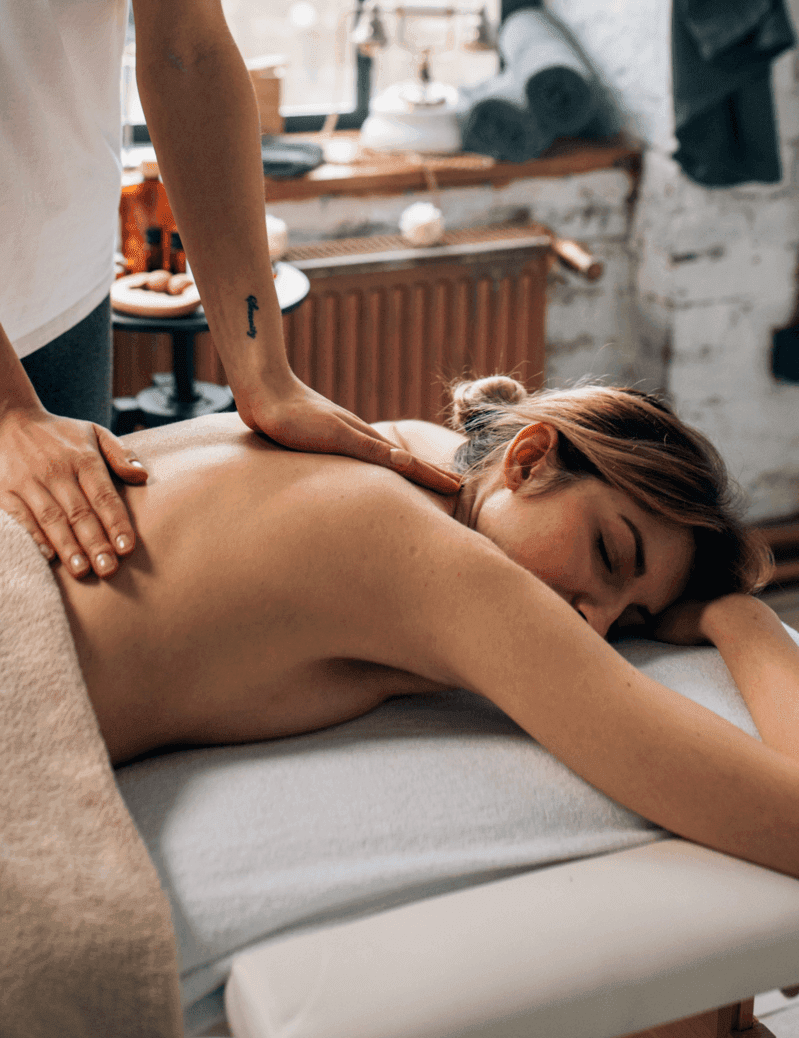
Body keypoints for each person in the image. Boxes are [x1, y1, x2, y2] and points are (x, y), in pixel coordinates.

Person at [42, 374, 799, 882]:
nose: (594, 623)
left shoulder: (398, 444)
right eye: (609, 554)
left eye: (632, 617)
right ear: (529, 459)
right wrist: (747, 622)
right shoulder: (441, 568)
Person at [0, 0, 459, 588]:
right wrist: (7, 409)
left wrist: (265, 376)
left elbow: (187, 50)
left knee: (77, 592)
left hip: (66, 286)